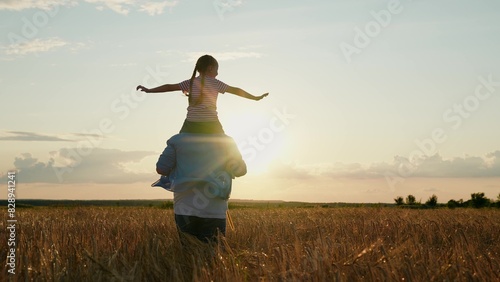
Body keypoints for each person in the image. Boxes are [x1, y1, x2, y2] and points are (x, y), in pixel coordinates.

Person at [136, 54, 269, 134]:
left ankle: (168, 172)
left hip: (191, 123)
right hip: (211, 122)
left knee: (177, 144)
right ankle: (232, 167)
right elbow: (236, 90)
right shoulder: (216, 83)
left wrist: (149, 90)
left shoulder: (191, 82)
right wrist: (255, 98)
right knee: (226, 145)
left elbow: (169, 87)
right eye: (217, 70)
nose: (217, 73)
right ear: (211, 68)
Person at [154, 132, 247, 243]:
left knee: (188, 254)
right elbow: (240, 171)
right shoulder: (226, 141)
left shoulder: (176, 140)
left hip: (185, 206)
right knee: (213, 254)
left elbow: (161, 169)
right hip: (214, 207)